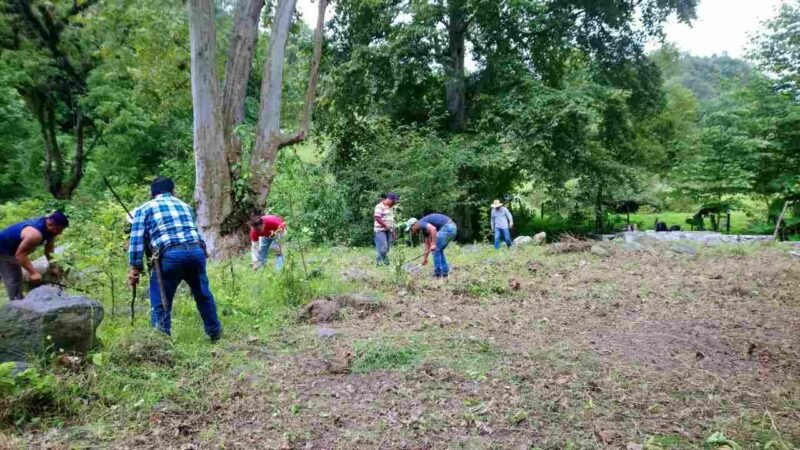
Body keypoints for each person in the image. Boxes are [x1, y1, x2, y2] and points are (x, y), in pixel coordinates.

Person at [127, 177, 222, 341]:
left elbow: (136, 241)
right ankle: (215, 333)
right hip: (196, 252)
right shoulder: (185, 206)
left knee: (160, 299)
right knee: (203, 293)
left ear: (152, 193)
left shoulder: (144, 209)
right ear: (173, 191)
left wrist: (135, 268)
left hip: (171, 256)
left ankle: (161, 340)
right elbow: (194, 231)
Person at [0, 211, 69, 300]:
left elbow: (49, 249)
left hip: (11, 249)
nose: (60, 233)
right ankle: (16, 303)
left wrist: (52, 266)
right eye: (59, 230)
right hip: (4, 251)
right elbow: (20, 256)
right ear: (51, 224)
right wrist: (34, 273)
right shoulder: (35, 235)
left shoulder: (50, 229)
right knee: (15, 279)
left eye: (62, 230)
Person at [405, 213, 458, 278]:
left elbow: (433, 229)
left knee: (435, 250)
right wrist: (425, 259)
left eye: (411, 229)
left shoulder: (421, 223)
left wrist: (433, 244)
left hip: (448, 227)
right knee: (438, 250)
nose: (412, 231)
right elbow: (427, 244)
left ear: (415, 224)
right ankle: (444, 273)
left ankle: (438, 274)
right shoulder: (424, 229)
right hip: (452, 227)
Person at [373, 193, 399, 266]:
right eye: (394, 201)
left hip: (389, 230)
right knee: (383, 247)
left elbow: (392, 221)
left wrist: (393, 232)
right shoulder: (379, 206)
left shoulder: (390, 208)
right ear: (389, 199)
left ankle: (380, 263)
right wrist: (385, 225)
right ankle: (384, 263)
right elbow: (377, 218)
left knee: (387, 248)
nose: (394, 203)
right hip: (380, 230)